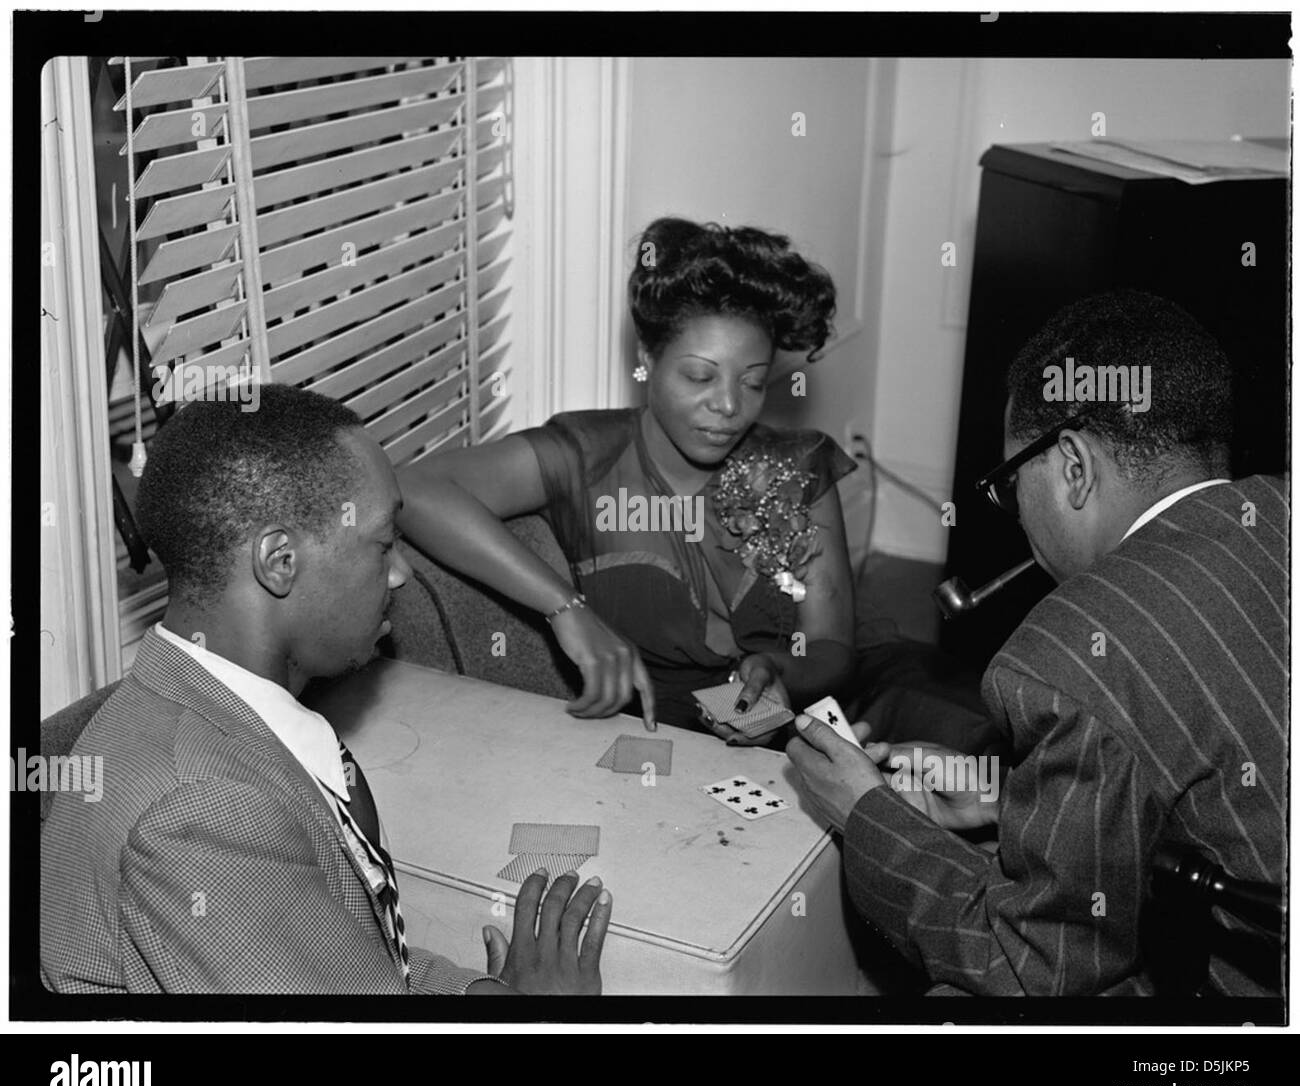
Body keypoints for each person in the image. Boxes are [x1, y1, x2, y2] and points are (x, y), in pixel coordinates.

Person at [787, 291, 1286, 996]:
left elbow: (1031, 969)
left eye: (1009, 484)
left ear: (1074, 466)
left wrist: (861, 812)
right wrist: (1000, 794)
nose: (1014, 513)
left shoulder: (1068, 656)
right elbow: (1213, 738)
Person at [41, 386, 611, 995]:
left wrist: (483, 995)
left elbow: (346, 957)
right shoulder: (203, 812)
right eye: (384, 543)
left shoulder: (212, 705)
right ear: (279, 561)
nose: (401, 573)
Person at [398, 216, 857, 738]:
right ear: (647, 358)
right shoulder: (586, 455)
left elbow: (833, 647)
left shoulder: (797, 467)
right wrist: (566, 609)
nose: (729, 405)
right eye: (699, 376)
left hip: (787, 742)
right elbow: (415, 488)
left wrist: (781, 673)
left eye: (753, 382)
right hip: (648, 743)